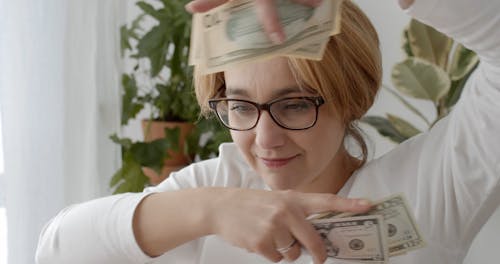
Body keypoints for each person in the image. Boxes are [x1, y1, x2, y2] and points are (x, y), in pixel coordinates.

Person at [36, 0, 500, 263]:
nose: (264, 139)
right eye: (240, 106)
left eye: (295, 104)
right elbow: (55, 252)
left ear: (352, 97)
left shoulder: (427, 191)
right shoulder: (218, 187)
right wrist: (210, 210)